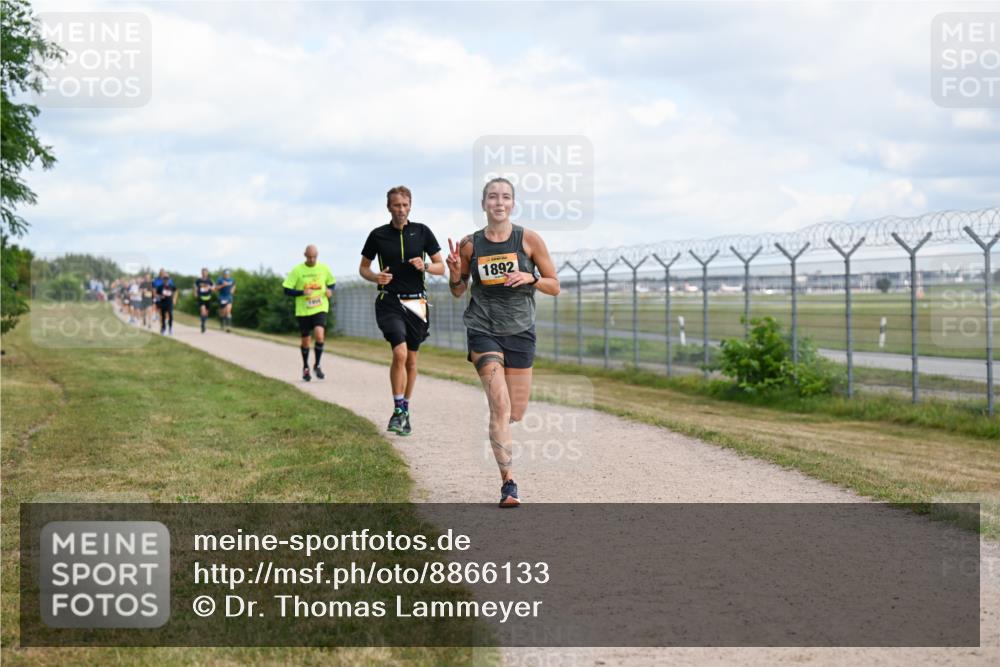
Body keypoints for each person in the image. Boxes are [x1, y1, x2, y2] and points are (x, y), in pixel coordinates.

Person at [446, 177, 559, 507]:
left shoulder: (529, 240)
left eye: (505, 197)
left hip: (520, 330)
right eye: (492, 197)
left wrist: (531, 278)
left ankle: (503, 426)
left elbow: (555, 285)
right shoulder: (470, 245)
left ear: (512, 204)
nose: (499, 202)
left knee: (517, 411)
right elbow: (457, 291)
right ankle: (508, 483)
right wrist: (454, 273)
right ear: (483, 204)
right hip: (483, 329)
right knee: (500, 406)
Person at [359, 185, 445, 436]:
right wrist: (376, 277)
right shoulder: (378, 235)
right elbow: (363, 268)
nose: (401, 210)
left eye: (405, 205)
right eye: (396, 205)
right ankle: (398, 409)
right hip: (390, 301)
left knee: (412, 360)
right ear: (389, 207)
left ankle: (405, 410)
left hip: (417, 303)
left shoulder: (422, 231)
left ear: (410, 206)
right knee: (400, 352)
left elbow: (441, 267)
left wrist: (426, 265)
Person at [282, 245, 335, 381]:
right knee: (306, 341)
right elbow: (286, 289)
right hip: (303, 310)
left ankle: (317, 364)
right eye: (309, 257)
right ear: (304, 255)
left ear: (317, 255)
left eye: (314, 257)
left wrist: (330, 291)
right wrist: (301, 292)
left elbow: (332, 283)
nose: (311, 259)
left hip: (320, 307)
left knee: (319, 334)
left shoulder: (324, 268)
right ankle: (306, 367)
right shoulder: (298, 270)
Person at [152, 268, 177, 335]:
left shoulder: (171, 286)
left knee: (170, 315)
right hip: (162, 303)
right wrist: (160, 296)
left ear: (169, 279)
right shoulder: (160, 287)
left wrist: (174, 298)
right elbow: (155, 294)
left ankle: (170, 328)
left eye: (167, 278)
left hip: (169, 303)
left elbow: (176, 291)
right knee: (162, 316)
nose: (166, 280)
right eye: (164, 278)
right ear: (163, 279)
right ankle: (163, 328)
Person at [194, 268, 214, 333]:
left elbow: (213, 288)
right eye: (203, 272)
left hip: (208, 298)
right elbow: (195, 287)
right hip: (201, 297)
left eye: (205, 272)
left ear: (207, 273)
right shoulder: (198, 280)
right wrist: (195, 293)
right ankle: (202, 325)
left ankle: (204, 322)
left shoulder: (210, 280)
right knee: (203, 310)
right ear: (201, 273)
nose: (204, 274)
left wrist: (210, 287)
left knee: (206, 313)